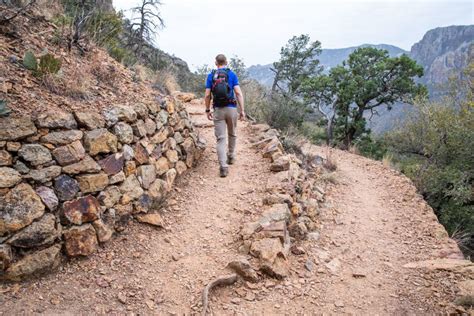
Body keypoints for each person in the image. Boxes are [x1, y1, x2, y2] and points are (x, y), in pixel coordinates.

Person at [205, 54, 246, 178]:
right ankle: (231, 156)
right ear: (226, 62)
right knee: (232, 133)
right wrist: (242, 110)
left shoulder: (211, 75)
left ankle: (223, 167)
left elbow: (207, 95)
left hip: (218, 109)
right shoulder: (231, 74)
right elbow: (238, 93)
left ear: (216, 63)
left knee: (221, 139)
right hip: (232, 108)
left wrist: (207, 109)